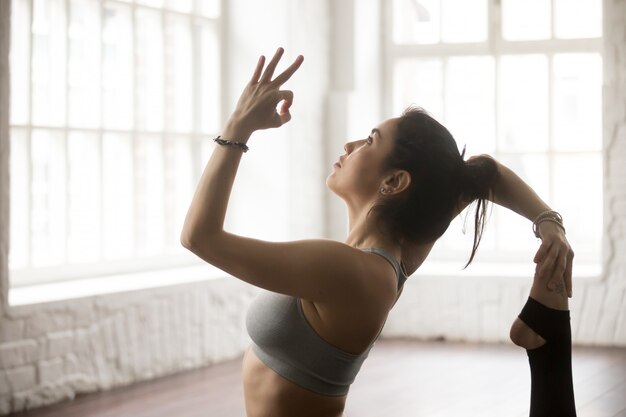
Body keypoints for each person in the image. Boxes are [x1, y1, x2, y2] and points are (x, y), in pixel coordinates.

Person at [181, 48, 577, 417]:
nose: (351, 144)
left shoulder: (350, 270)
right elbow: (484, 173)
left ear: (393, 181)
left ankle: (550, 333)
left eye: (370, 140)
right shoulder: (399, 253)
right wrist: (549, 223)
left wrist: (238, 128)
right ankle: (548, 326)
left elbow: (199, 237)